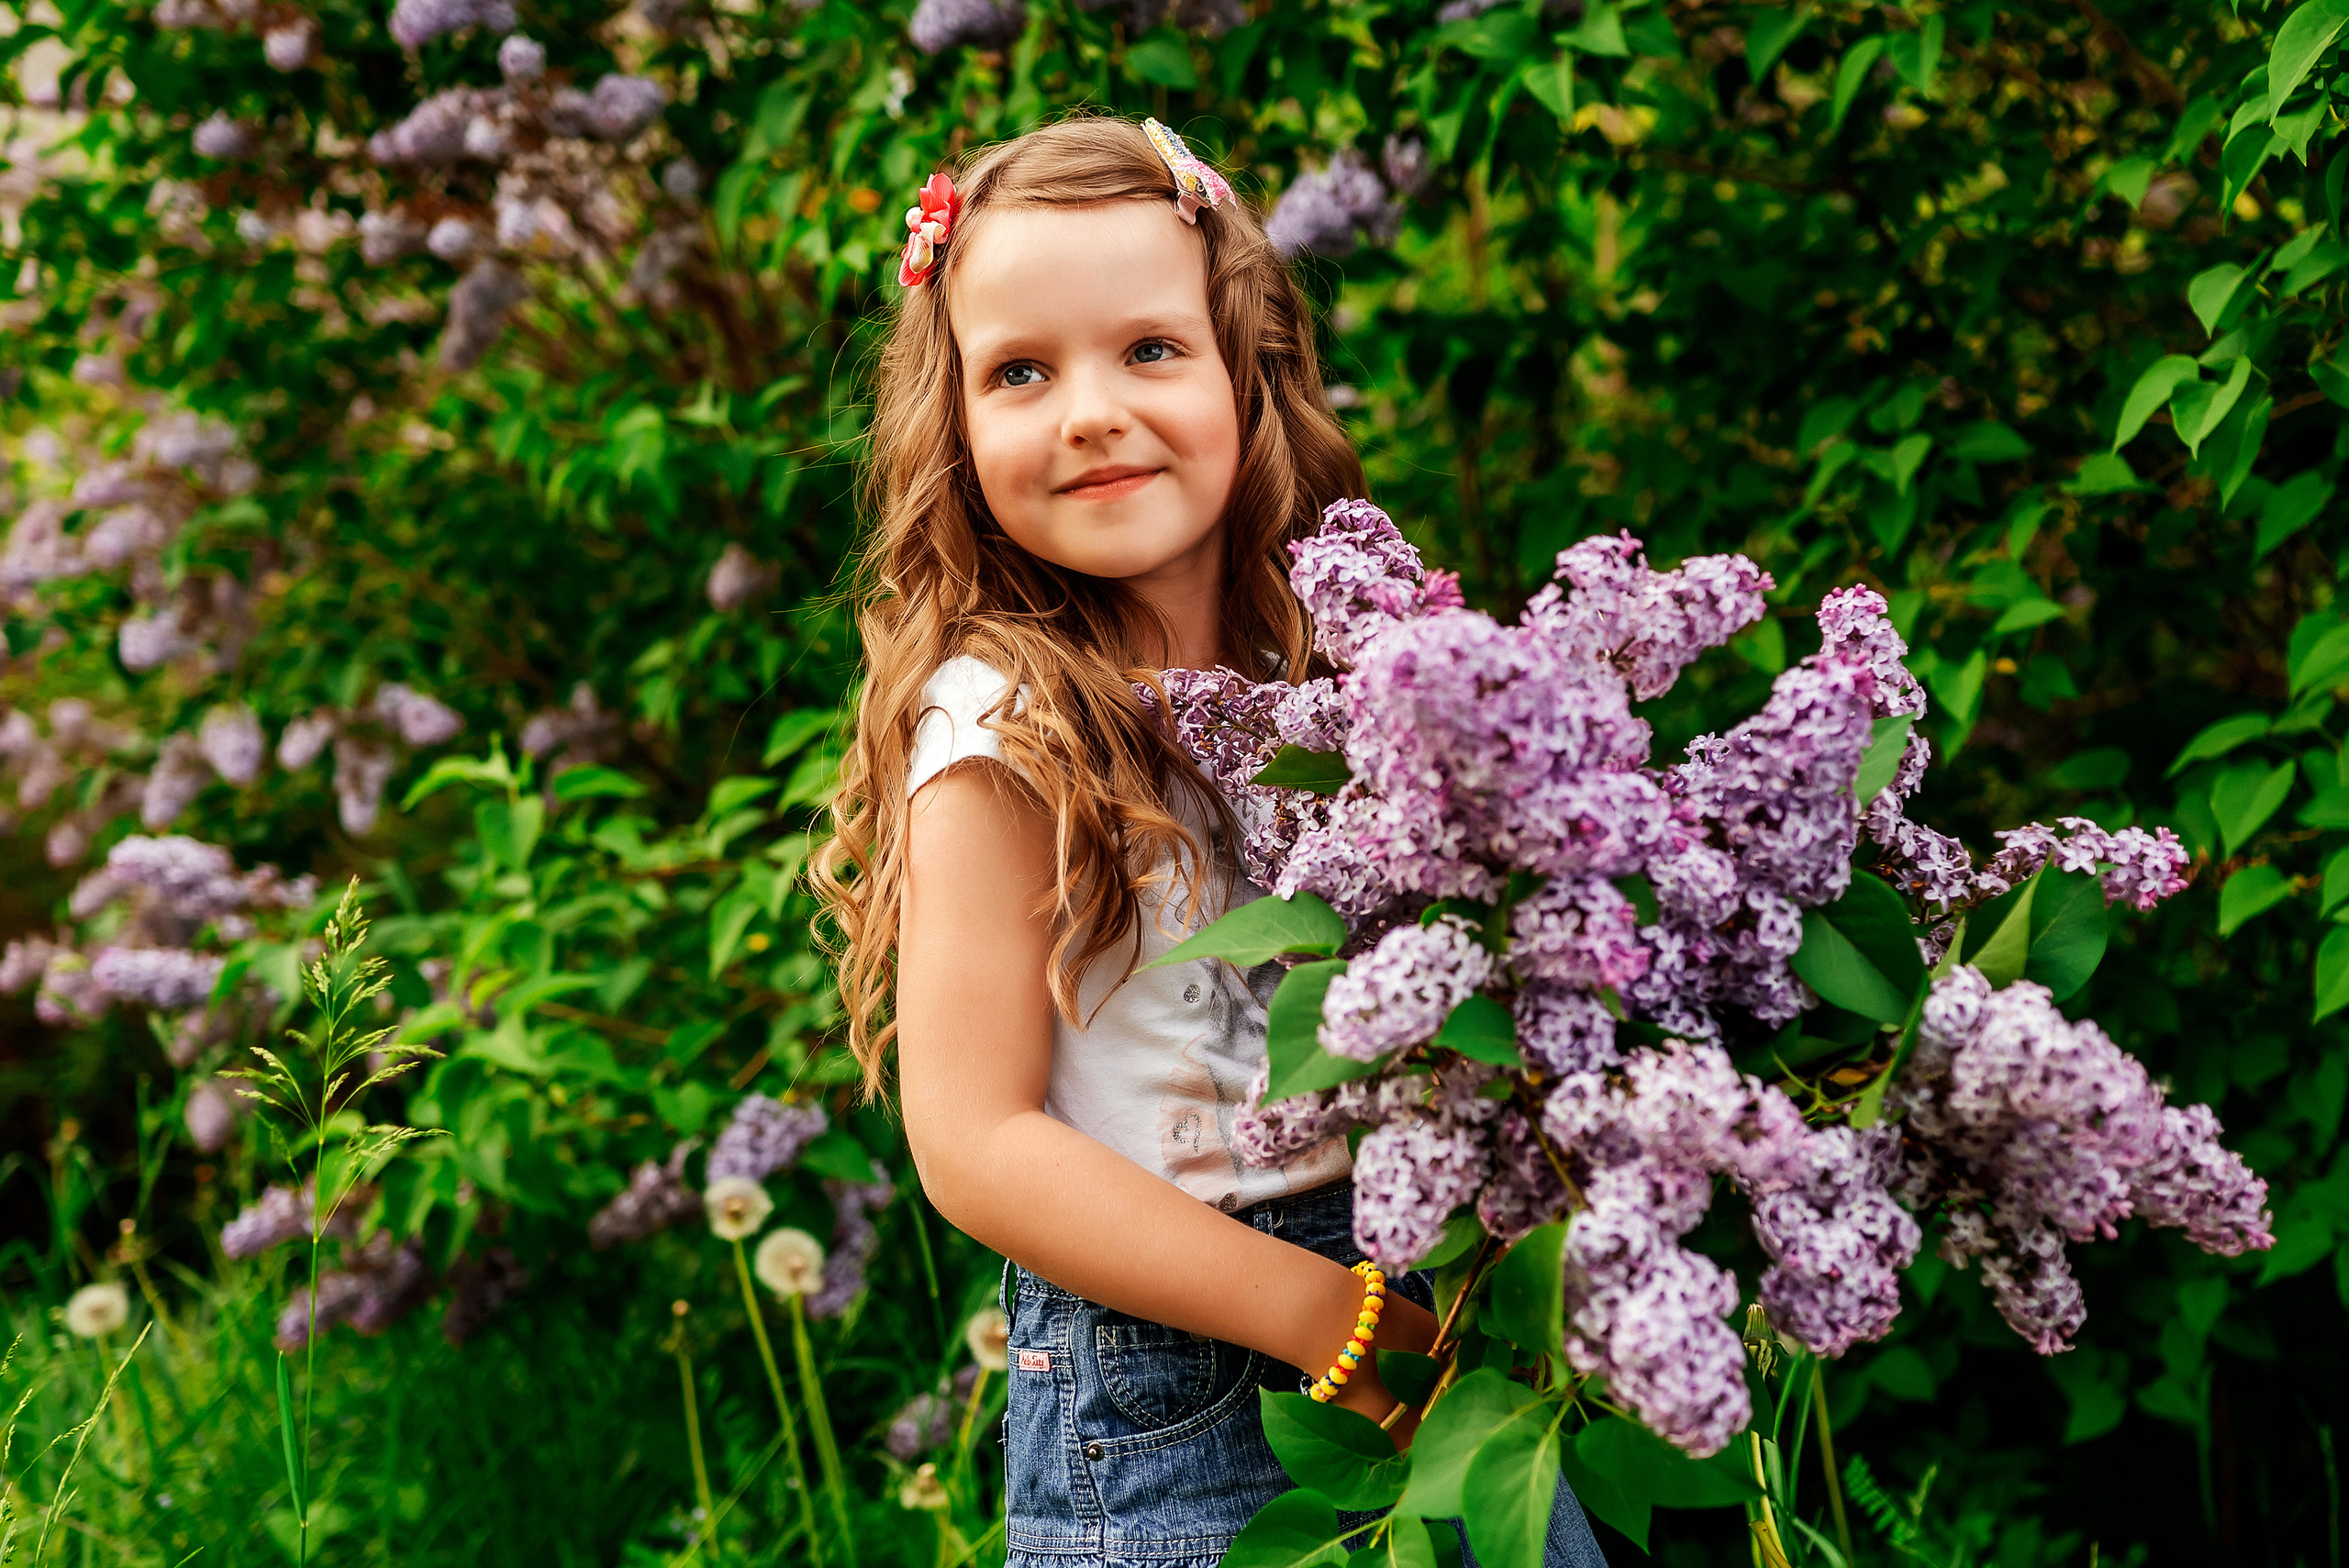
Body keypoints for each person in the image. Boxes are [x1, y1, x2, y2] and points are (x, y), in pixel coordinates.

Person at [813, 114, 1605, 1567]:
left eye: (1150, 351)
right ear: (957, 427)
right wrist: (1329, 1321)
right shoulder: (1000, 723)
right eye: (1021, 372)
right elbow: (975, 1141)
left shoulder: (1342, 664)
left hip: (1424, 1299)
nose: (1091, 410)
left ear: (1248, 369)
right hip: (1171, 1385)